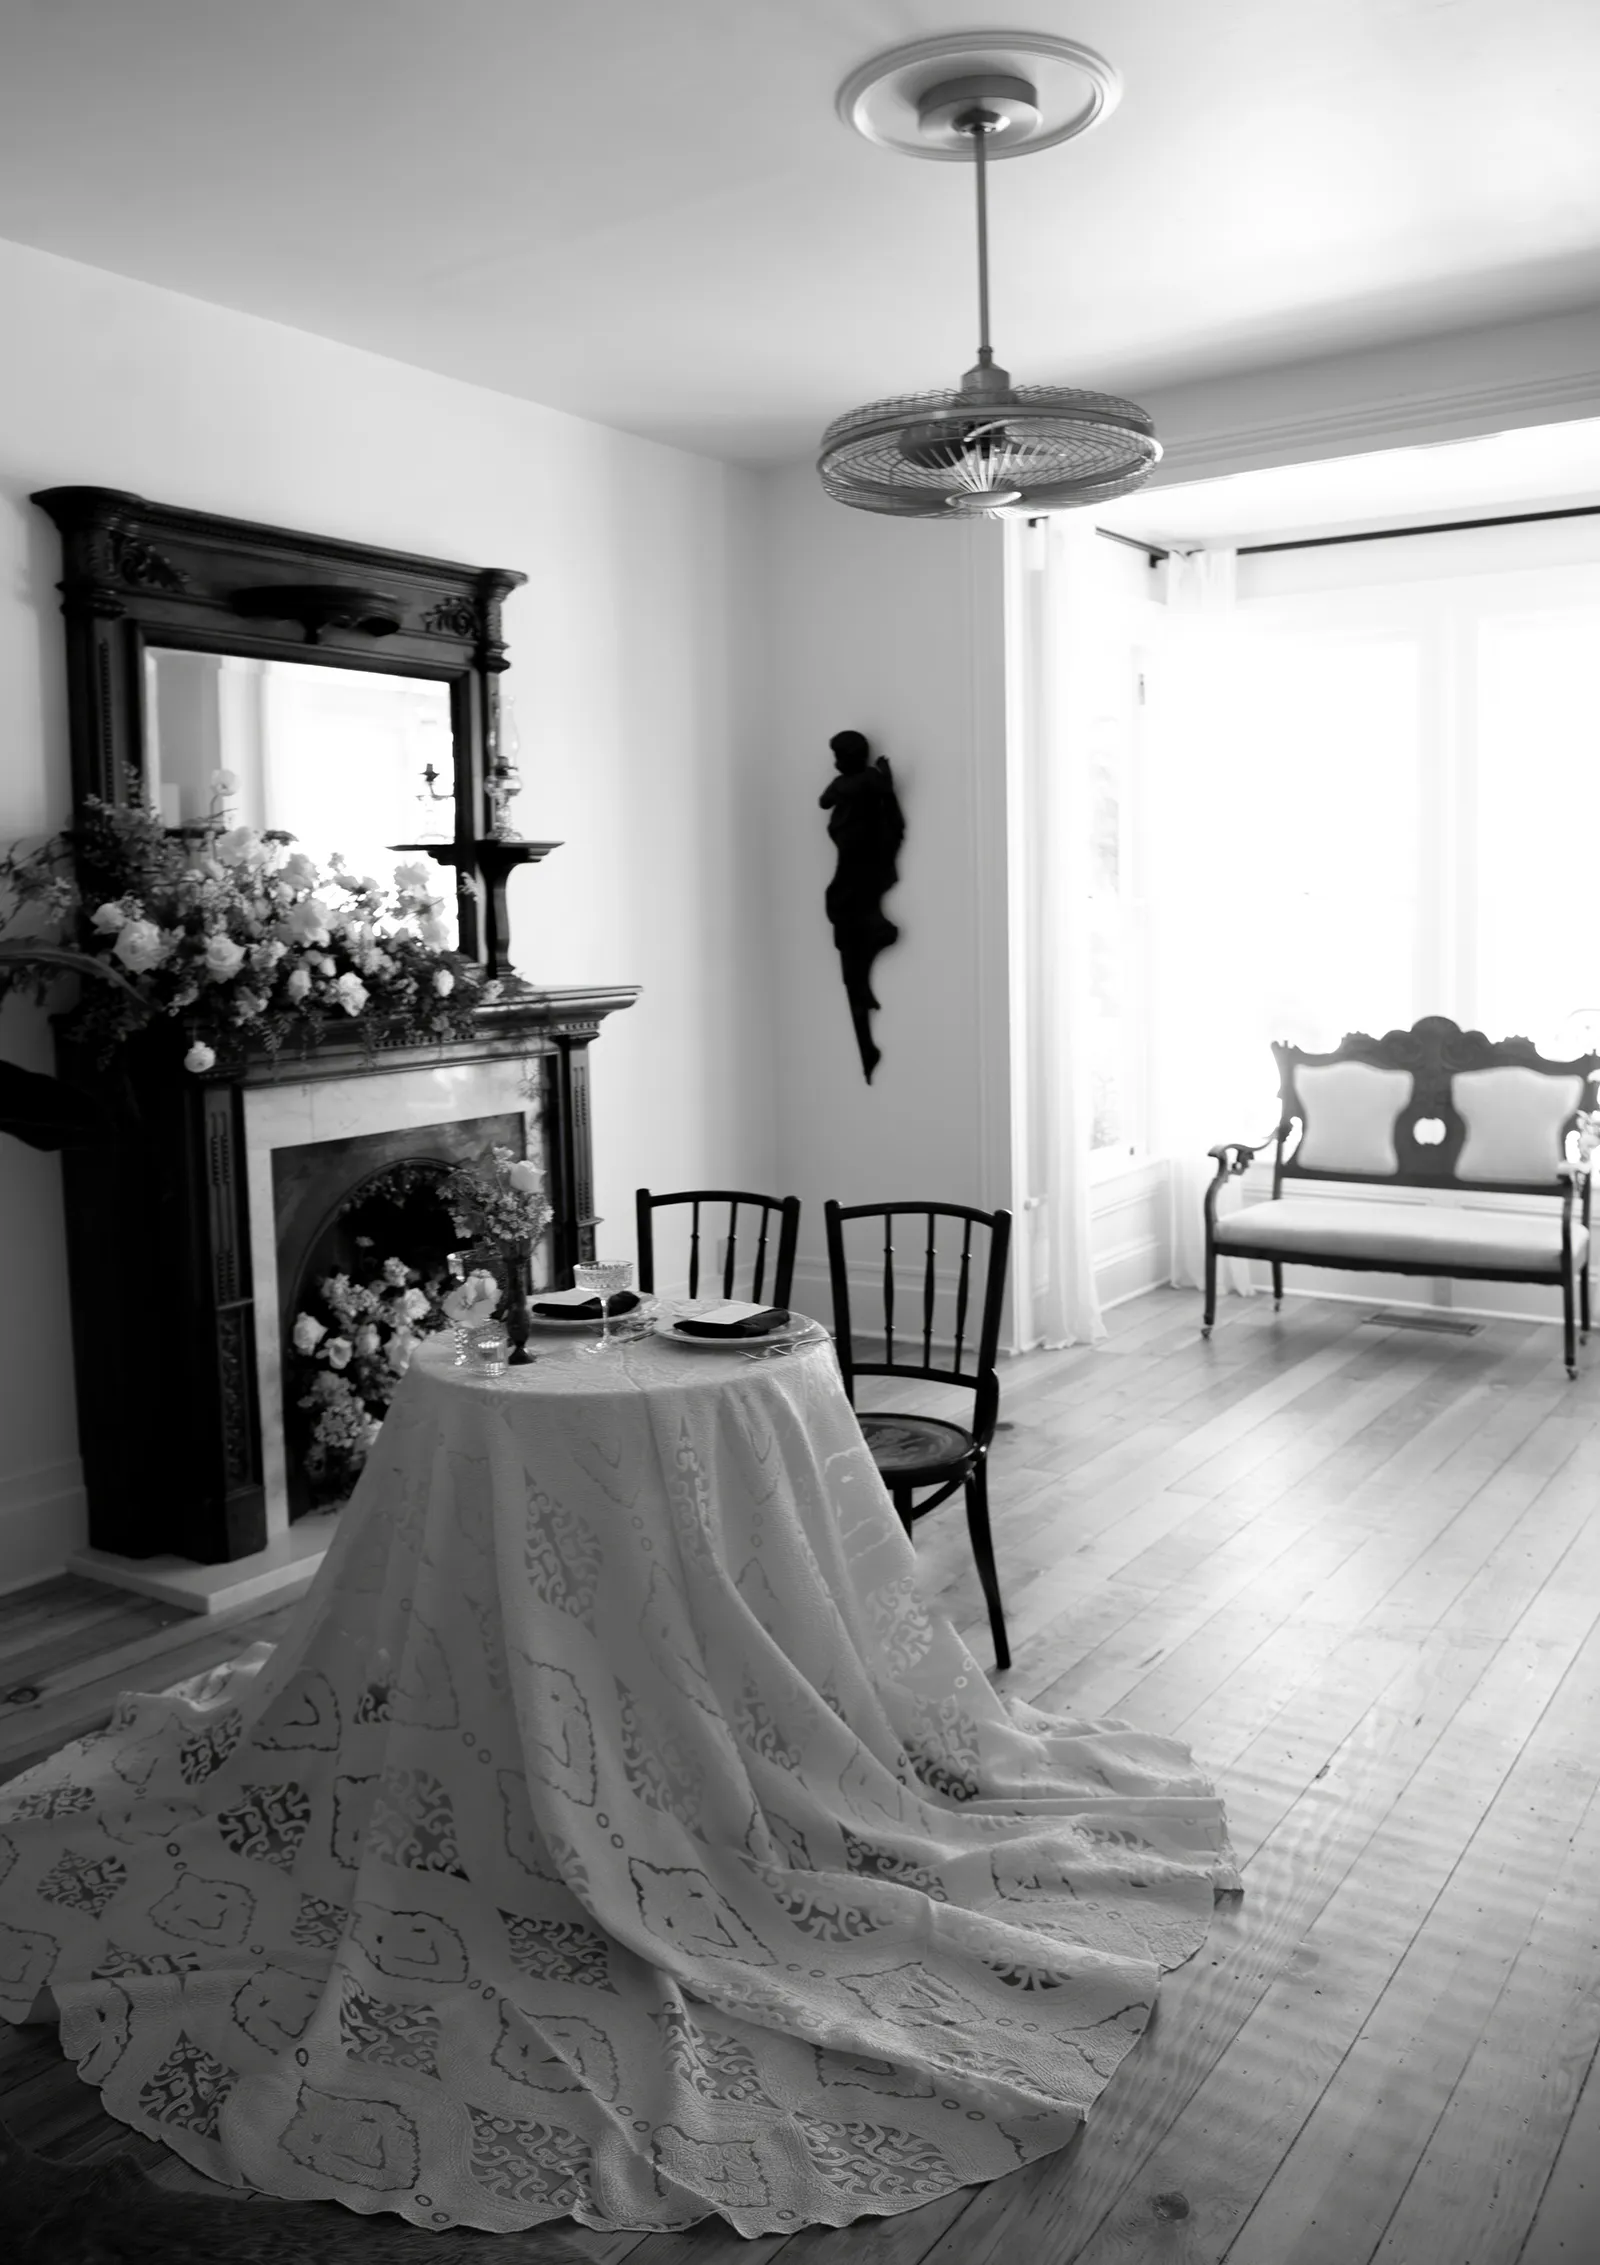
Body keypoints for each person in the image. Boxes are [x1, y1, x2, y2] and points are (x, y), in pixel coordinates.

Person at [819, 730, 904, 1082]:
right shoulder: (869, 780)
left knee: (848, 926)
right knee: (849, 934)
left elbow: (824, 801)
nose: (835, 763)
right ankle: (864, 1036)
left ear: (848, 758)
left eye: (838, 757)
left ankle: (864, 1029)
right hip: (858, 874)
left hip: (856, 874)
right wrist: (883, 777)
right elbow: (883, 791)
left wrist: (848, 786)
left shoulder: (847, 784)